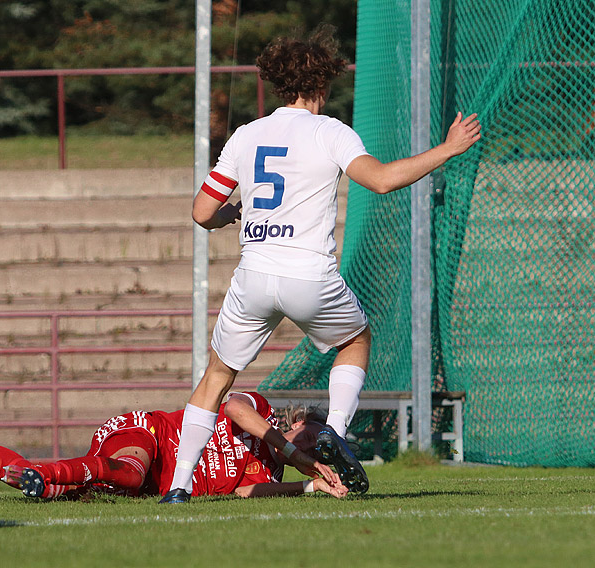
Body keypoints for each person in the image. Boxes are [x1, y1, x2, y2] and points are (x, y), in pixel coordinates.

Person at [161, 25, 481, 503]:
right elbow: (383, 181)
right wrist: (448, 148)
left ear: (278, 83)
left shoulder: (247, 134)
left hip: (253, 276)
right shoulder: (330, 132)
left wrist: (233, 213)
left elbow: (202, 212)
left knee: (216, 378)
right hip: (308, 275)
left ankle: (178, 488)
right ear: (323, 85)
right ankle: (333, 430)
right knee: (355, 340)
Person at [0, 391, 349, 500]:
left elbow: (245, 494)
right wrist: (302, 460)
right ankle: (51, 477)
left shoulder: (271, 474)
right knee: (128, 471)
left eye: (317, 446)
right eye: (310, 434)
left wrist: (309, 488)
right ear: (295, 424)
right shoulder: (260, 411)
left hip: (142, 480)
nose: (310, 445)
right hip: (146, 434)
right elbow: (231, 407)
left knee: (35, 481)